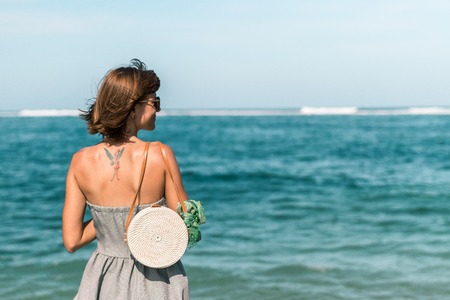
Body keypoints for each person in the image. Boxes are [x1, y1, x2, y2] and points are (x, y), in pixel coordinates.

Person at [62, 59, 190, 299]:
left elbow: (72, 241)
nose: (158, 110)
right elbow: (184, 226)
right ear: (132, 108)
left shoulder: (80, 162)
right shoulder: (159, 154)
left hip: (102, 278)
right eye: (155, 102)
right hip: (157, 279)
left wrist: (107, 218)